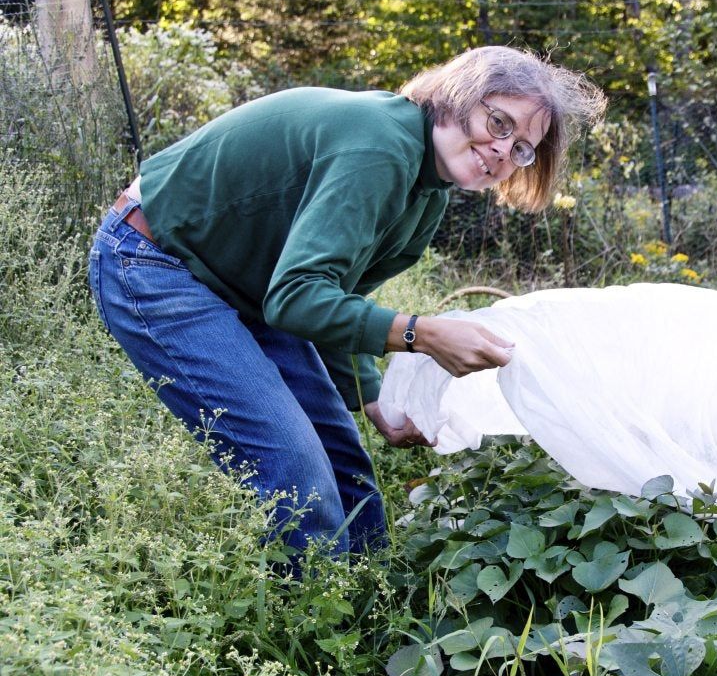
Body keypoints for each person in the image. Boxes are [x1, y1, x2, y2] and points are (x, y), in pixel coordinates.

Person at [88, 46, 605, 558]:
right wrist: (420, 334)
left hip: (249, 284)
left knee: (346, 469)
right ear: (457, 96)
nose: (502, 150)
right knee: (296, 469)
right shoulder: (379, 143)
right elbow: (297, 298)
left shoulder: (428, 195)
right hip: (157, 260)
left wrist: (373, 399)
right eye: (499, 122)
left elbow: (331, 296)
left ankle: (369, 612)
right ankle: (313, 630)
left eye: (520, 147)